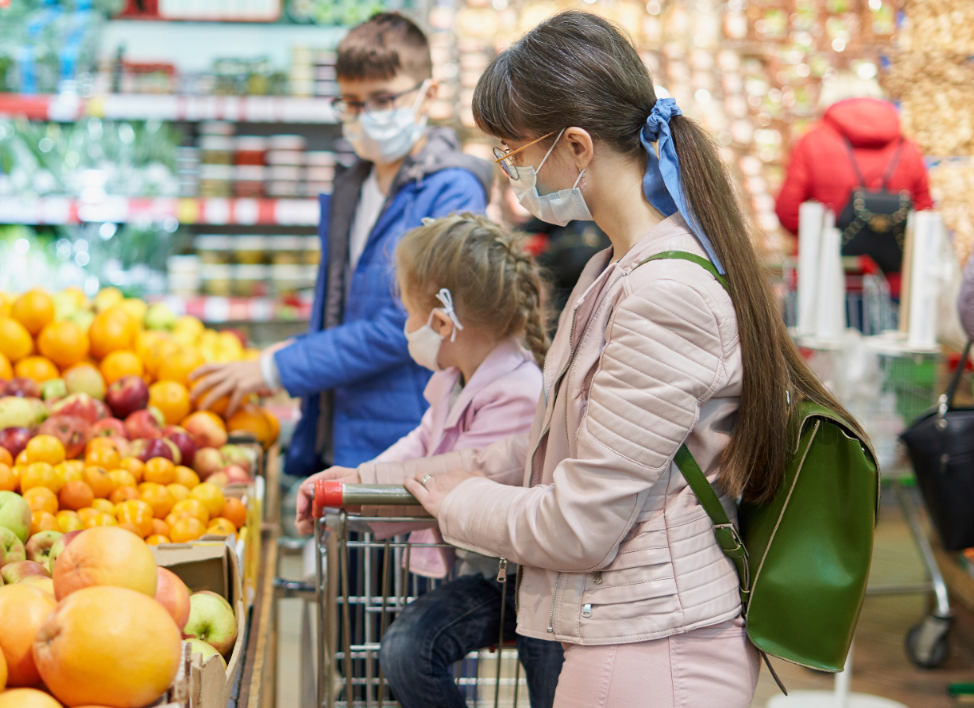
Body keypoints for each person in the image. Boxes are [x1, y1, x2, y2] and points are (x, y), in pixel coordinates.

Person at [299, 11, 856, 706]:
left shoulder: (663, 294)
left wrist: (458, 506)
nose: (511, 177)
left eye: (513, 152)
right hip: (616, 633)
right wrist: (377, 481)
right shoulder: (608, 272)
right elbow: (544, 455)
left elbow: (580, 523)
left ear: (577, 148)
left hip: (656, 648)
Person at [189, 12, 492, 478]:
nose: (366, 116)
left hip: (411, 439)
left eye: (383, 99)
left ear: (428, 95)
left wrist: (279, 369)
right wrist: (290, 352)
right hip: (342, 429)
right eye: (351, 103)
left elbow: (407, 325)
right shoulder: (353, 186)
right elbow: (343, 310)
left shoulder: (451, 191)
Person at [356, 213, 564, 708]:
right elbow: (421, 441)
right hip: (488, 574)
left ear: (442, 322)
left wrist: (364, 486)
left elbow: (459, 472)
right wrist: (356, 480)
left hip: (534, 580)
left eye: (408, 313)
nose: (407, 327)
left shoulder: (518, 390)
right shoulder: (457, 379)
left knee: (551, 691)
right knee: (408, 648)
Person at [774, 71, 933, 293]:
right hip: (889, 282)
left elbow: (787, 211)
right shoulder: (908, 147)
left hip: (823, 280)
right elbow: (926, 215)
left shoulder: (812, 141)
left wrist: (825, 233)